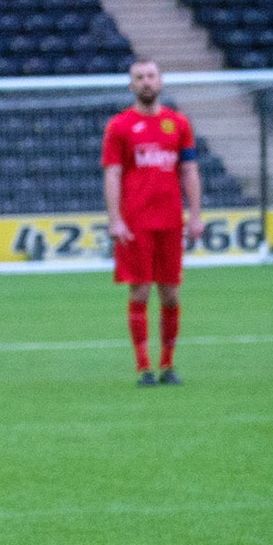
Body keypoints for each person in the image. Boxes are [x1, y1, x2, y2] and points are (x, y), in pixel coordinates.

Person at [102, 59, 201, 387]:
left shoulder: (179, 123)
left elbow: (188, 170)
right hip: (136, 223)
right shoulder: (119, 126)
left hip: (171, 221)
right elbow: (113, 173)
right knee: (141, 290)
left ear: (160, 82)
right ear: (131, 85)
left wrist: (196, 216)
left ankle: (168, 365)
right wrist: (115, 219)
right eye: (139, 77)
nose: (146, 82)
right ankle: (144, 367)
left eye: (151, 76)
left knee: (171, 293)